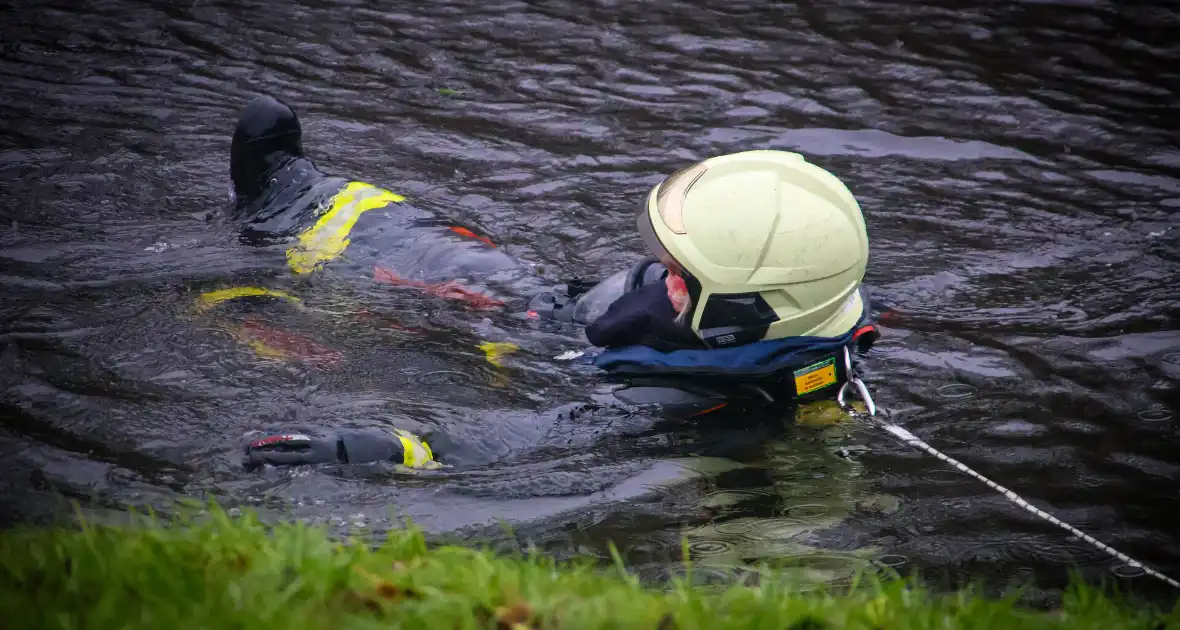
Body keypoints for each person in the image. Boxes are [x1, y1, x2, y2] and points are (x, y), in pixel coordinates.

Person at [528, 149, 881, 413]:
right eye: (669, 266)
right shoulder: (827, 292)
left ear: (743, 308)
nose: (666, 282)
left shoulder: (665, 400)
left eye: (683, 275)